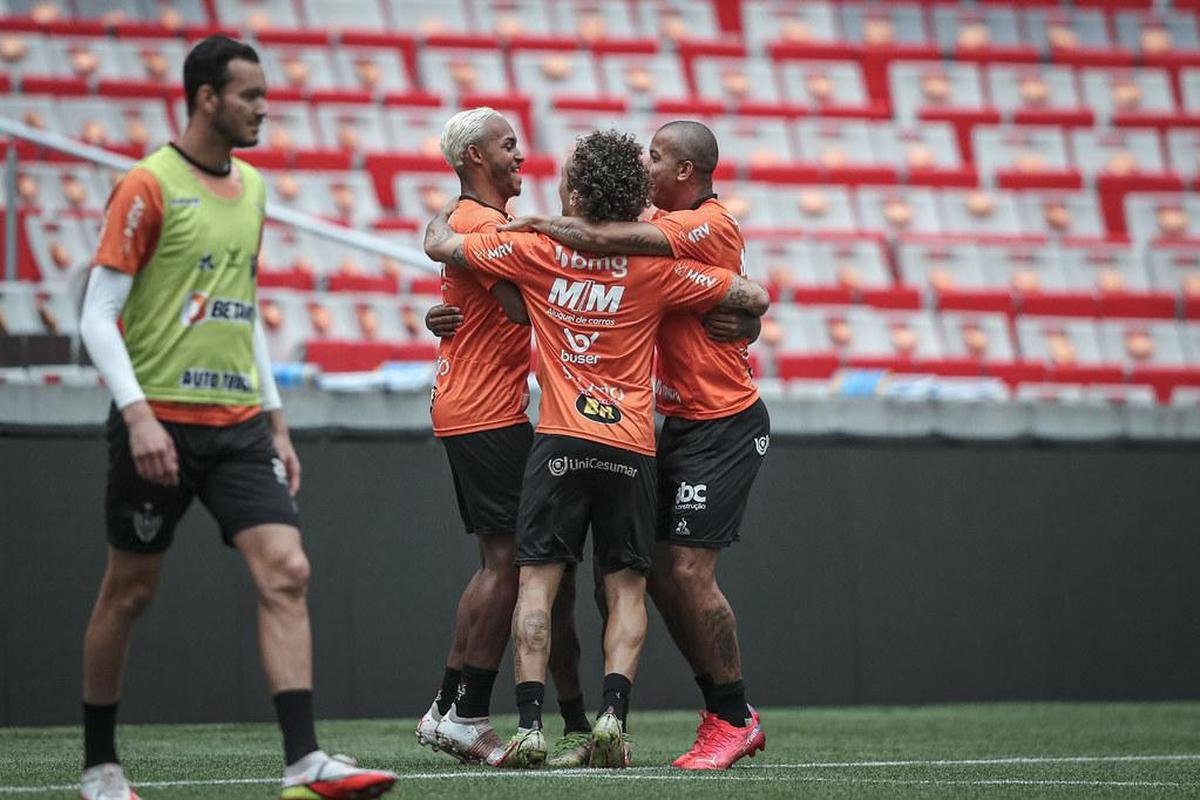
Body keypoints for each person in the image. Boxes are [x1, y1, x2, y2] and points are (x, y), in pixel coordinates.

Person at [76, 35, 397, 800]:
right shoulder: (147, 185)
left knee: (288, 570)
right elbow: (96, 315)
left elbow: (242, 309)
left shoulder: (251, 188)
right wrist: (140, 414)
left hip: (239, 428)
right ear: (206, 98)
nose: (263, 108)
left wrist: (277, 422)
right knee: (129, 590)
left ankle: (304, 763)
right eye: (249, 95)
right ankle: (99, 767)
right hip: (158, 422)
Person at [423, 130, 770, 769]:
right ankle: (608, 721)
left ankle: (536, 723)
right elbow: (745, 293)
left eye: (658, 157)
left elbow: (447, 248)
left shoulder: (547, 247)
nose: (648, 163)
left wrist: (457, 222)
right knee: (632, 586)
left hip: (640, 428)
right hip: (639, 440)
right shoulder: (658, 259)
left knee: (540, 580)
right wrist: (748, 310)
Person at [413, 107, 589, 766]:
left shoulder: (469, 223)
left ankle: (446, 706)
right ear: (475, 159)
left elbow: (485, 300)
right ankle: (466, 714)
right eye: (508, 145)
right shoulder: (481, 224)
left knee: (503, 558)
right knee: (511, 562)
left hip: (476, 404)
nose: (521, 155)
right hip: (484, 410)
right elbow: (522, 306)